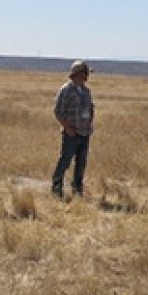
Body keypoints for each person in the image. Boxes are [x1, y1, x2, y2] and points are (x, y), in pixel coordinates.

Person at [51, 60, 95, 199]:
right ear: (78, 74)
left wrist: (89, 123)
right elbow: (58, 111)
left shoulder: (86, 91)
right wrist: (67, 127)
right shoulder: (66, 90)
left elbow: (91, 108)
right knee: (65, 160)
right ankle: (56, 188)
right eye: (85, 73)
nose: (87, 76)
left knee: (81, 162)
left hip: (84, 132)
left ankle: (77, 189)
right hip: (71, 133)